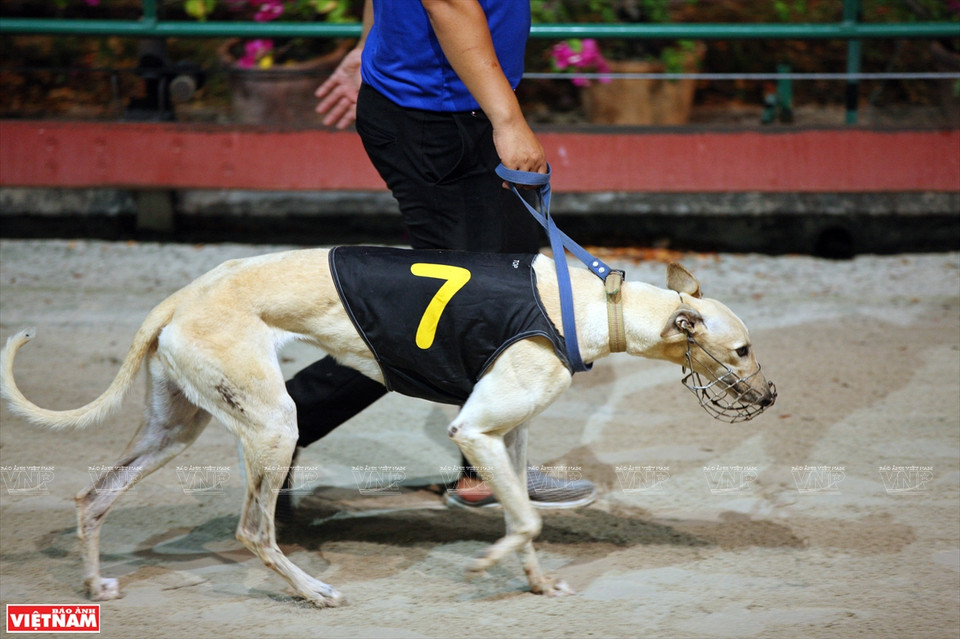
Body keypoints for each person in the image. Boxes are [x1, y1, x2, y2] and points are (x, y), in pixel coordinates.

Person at [284, 0, 595, 509]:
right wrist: (508, 120)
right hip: (436, 123)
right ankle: (287, 418)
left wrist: (367, 44)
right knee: (443, 310)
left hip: (459, 110)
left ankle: (483, 468)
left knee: (508, 285)